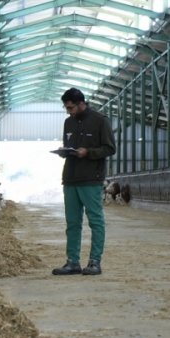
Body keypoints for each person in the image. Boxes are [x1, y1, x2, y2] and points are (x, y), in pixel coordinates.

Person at [52, 87, 116, 276]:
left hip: (91, 179)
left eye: (70, 107)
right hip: (70, 178)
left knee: (95, 221)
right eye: (66, 108)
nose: (68, 111)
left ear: (81, 104)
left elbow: (110, 148)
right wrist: (65, 152)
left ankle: (95, 262)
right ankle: (73, 262)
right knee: (72, 223)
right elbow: (69, 145)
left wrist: (88, 152)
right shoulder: (68, 123)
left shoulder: (100, 121)